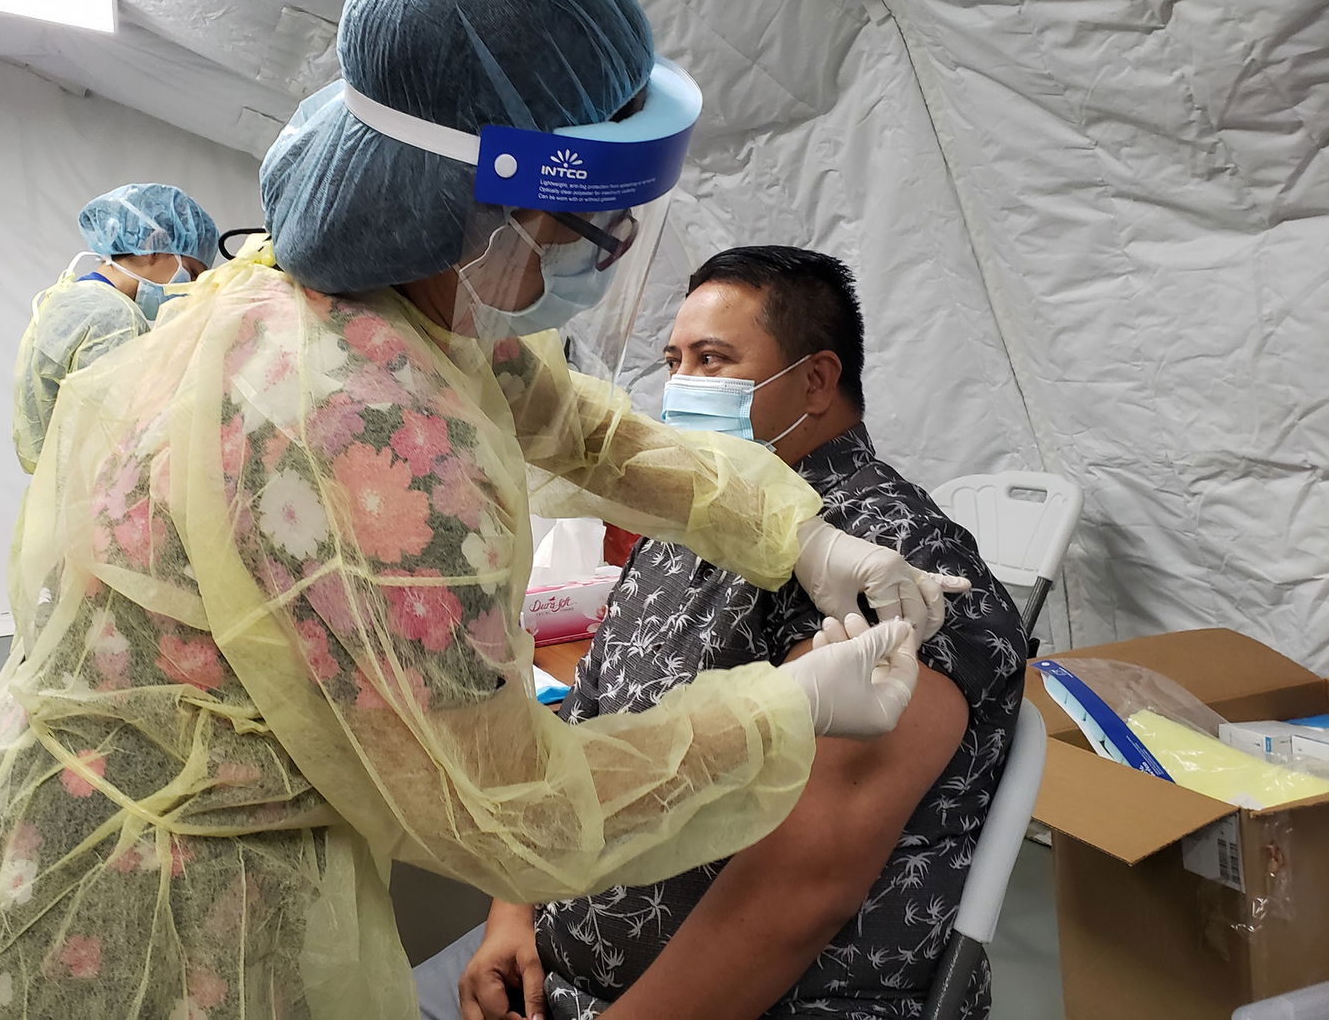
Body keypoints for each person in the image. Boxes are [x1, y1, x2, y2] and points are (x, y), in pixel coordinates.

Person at [0, 0, 964, 1020]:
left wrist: (798, 534)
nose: (600, 262)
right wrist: (786, 710)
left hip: (67, 821)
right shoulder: (359, 419)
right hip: (163, 917)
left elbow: (584, 428)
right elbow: (502, 810)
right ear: (482, 205)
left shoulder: (371, 297)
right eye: (586, 230)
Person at [433, 246, 1026, 1020]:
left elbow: (797, 889)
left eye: (712, 361)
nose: (681, 388)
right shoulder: (687, 523)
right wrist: (511, 916)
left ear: (816, 381)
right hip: (559, 979)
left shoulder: (897, 568)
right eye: (673, 361)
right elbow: (580, 723)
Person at [12, 182, 219, 472]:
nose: (193, 286)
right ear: (152, 246)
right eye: (193, 272)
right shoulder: (115, 317)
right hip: (99, 498)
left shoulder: (68, 298)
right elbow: (125, 438)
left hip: (62, 491)